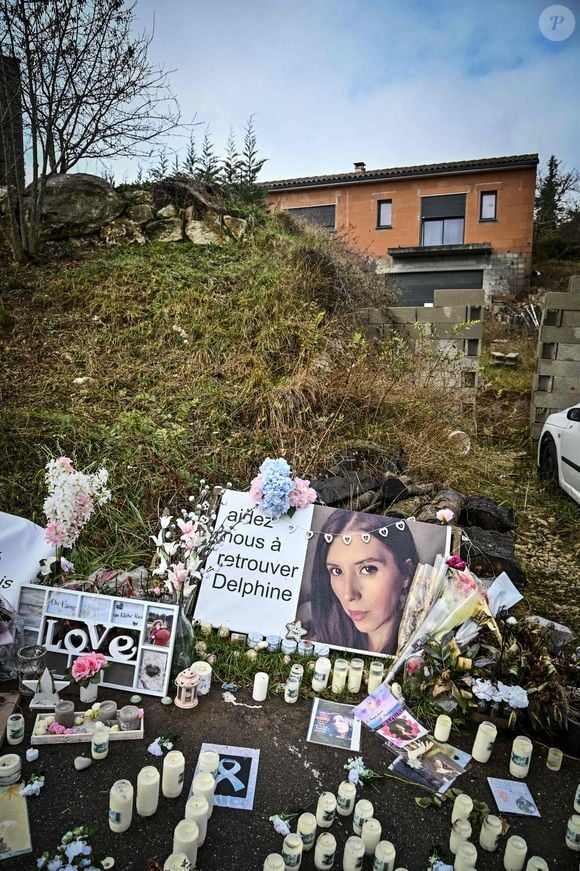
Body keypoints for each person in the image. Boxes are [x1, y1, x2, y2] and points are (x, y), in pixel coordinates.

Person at [309, 511, 419, 655]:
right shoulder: (314, 645)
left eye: (368, 569)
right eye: (336, 571)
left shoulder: (422, 653)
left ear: (406, 573)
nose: (349, 594)